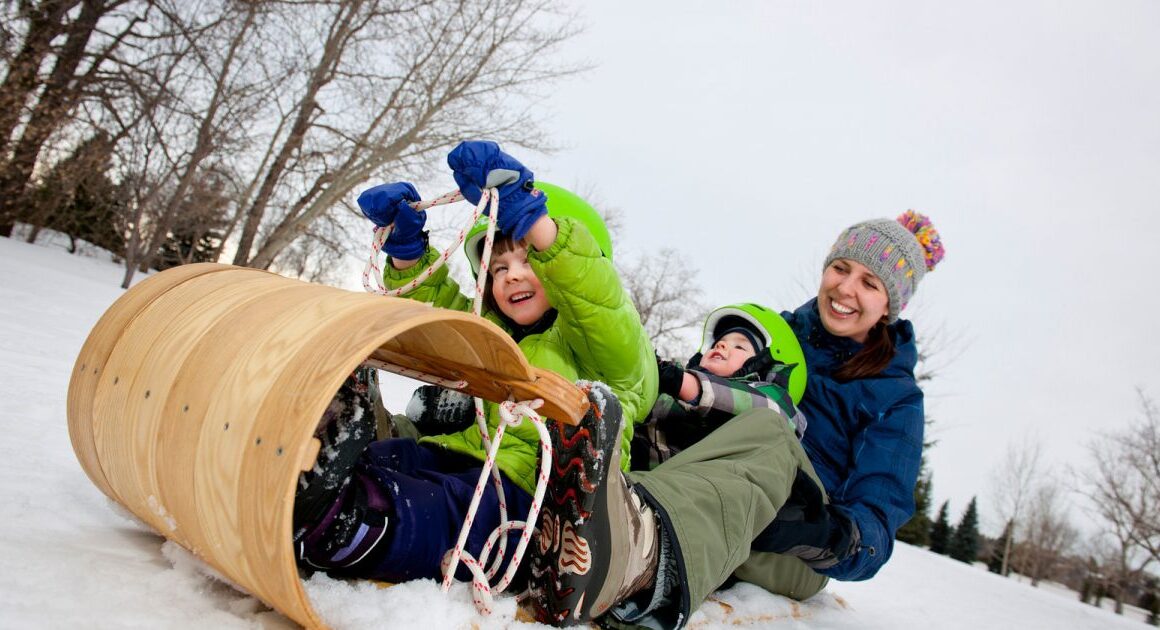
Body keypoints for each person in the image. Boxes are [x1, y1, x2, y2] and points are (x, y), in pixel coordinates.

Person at [526, 211, 945, 628]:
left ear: (891, 304)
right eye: (841, 268)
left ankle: (632, 544)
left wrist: (823, 533)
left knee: (771, 427)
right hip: (709, 493)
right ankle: (591, 509)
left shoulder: (896, 397)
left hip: (792, 545)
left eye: (869, 283)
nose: (846, 288)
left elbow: (877, 524)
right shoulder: (772, 333)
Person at [292, 141, 658, 585]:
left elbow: (596, 300)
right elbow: (436, 312)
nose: (512, 275)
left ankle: (353, 524)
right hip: (472, 454)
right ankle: (303, 485)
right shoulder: (494, 331)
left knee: (448, 509)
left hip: (542, 498)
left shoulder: (604, 339)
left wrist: (530, 218)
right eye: (498, 267)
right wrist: (407, 250)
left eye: (529, 259)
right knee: (396, 458)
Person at [632, 302, 808, 470]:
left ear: (762, 365)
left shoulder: (775, 400)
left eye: (739, 346)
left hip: (689, 486)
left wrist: (686, 384)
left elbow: (768, 413)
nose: (721, 344)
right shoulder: (672, 381)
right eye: (718, 342)